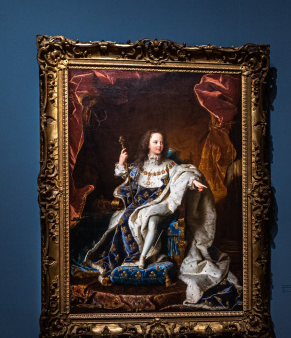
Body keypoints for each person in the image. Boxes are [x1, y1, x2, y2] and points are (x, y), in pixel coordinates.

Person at [84, 129, 239, 308]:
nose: (159, 145)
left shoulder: (170, 165)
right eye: (155, 142)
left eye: (161, 142)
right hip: (140, 204)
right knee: (124, 219)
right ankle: (132, 256)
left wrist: (194, 182)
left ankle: (142, 258)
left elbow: (184, 174)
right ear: (147, 144)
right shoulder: (140, 165)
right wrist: (121, 162)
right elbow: (123, 174)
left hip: (161, 203)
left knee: (152, 220)